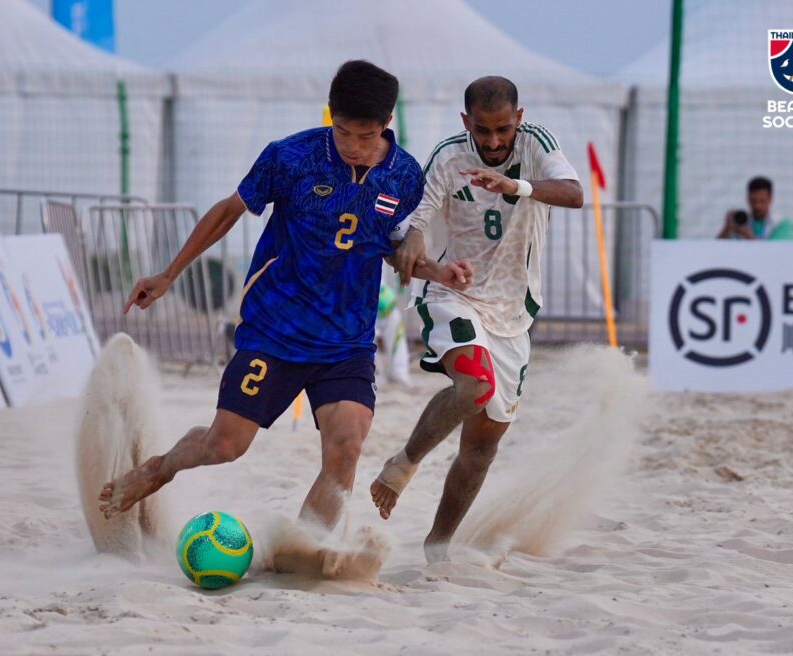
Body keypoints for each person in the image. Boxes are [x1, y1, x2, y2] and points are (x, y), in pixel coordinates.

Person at [97, 61, 473, 538]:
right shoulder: (291, 156)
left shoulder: (405, 176)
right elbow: (229, 211)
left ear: (387, 123)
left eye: (366, 136)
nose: (353, 146)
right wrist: (170, 273)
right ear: (330, 113)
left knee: (347, 447)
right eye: (343, 132)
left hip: (346, 341)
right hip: (275, 329)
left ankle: (304, 549)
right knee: (225, 446)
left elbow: (397, 248)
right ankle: (159, 468)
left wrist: (439, 271)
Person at [368, 76, 584, 563]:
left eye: (503, 129)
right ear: (466, 121)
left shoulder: (536, 144)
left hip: (513, 311)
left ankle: (438, 548)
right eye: (482, 130)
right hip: (453, 293)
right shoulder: (448, 157)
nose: (493, 140)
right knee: (474, 387)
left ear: (518, 119)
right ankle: (403, 465)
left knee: (482, 447)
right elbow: (414, 225)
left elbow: (574, 194)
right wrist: (416, 243)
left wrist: (516, 185)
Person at [717, 176, 793, 240]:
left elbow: (775, 252)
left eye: (762, 201)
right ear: (748, 199)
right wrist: (727, 229)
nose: (757, 206)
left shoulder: (782, 224)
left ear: (770, 199)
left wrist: (747, 235)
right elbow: (717, 248)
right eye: (753, 201)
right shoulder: (741, 222)